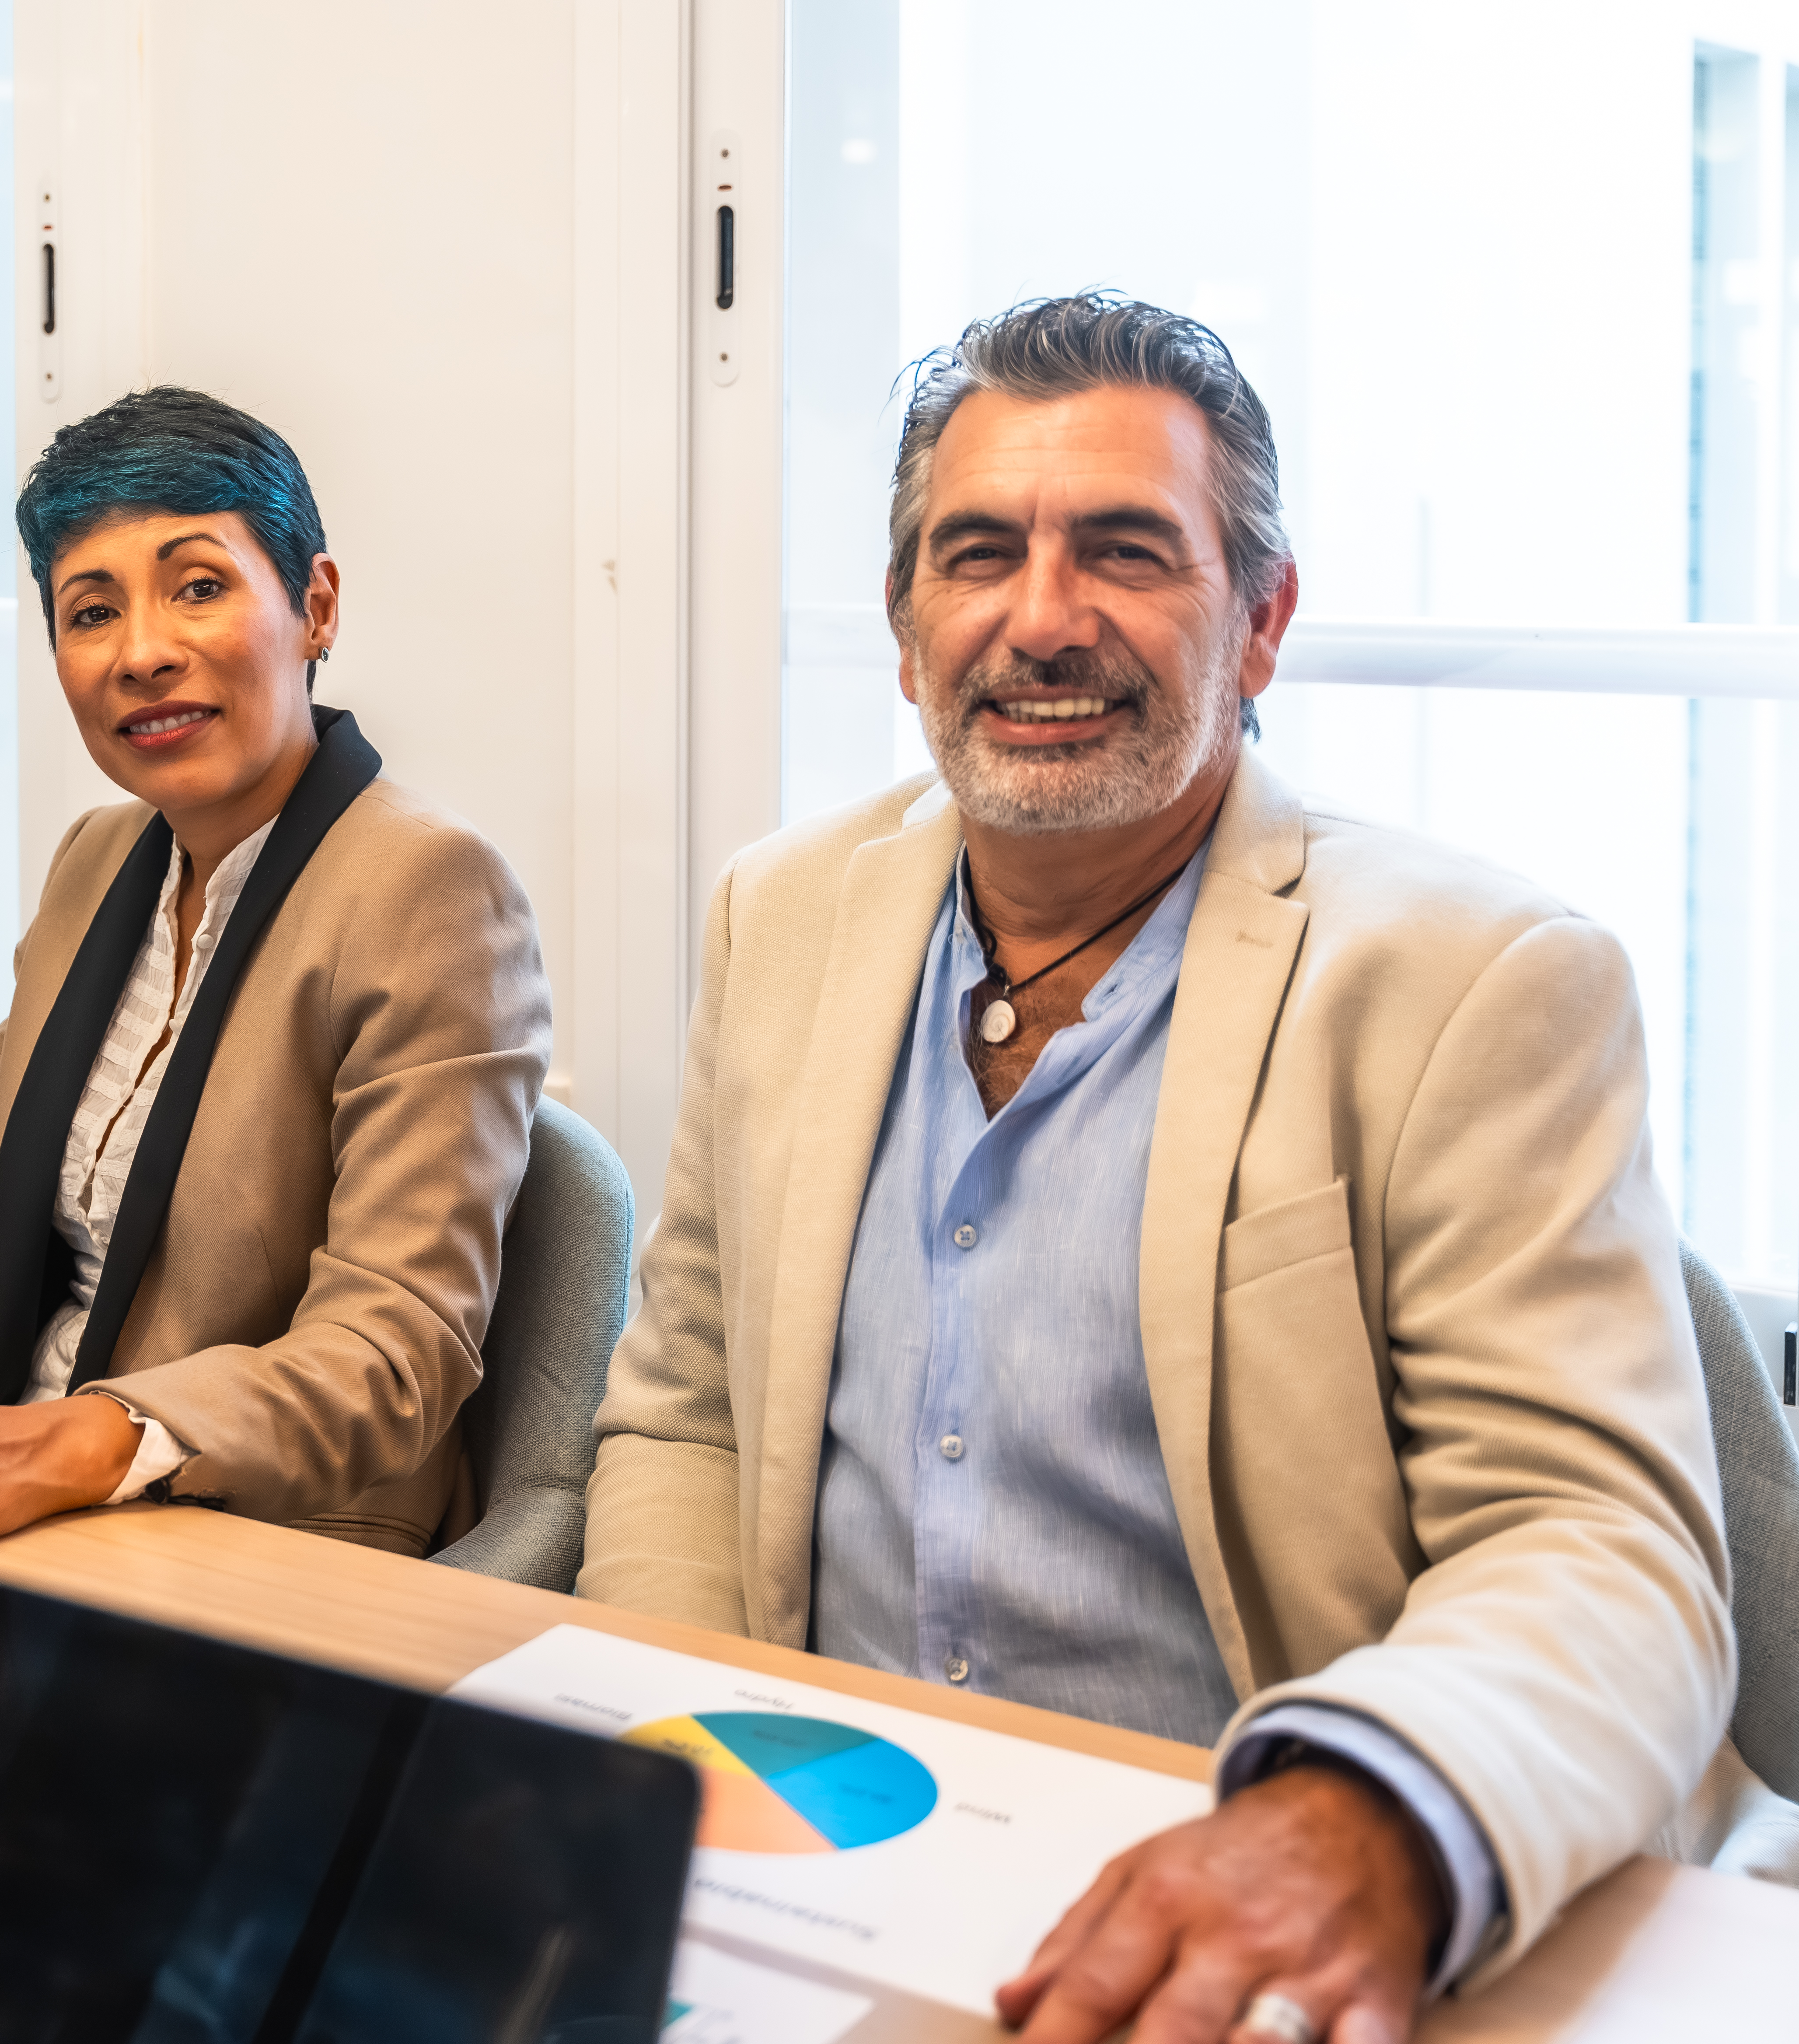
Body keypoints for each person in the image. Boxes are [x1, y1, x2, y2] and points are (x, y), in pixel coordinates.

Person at [578, 294, 1769, 2044]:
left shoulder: (1479, 980)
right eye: (977, 554)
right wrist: (685, 1786)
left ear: (1262, 617)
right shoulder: (785, 914)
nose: (1042, 621)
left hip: (1265, 1896)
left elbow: (1601, 1544)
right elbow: (684, 1410)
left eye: (1127, 552)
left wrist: (1363, 1816)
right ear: (906, 632)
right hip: (847, 1866)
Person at [0, 387, 549, 1556]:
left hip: (251, 1531)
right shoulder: (97, 860)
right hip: (18, 1489)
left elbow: (394, 1351)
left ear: (315, 606)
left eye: (200, 587)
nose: (143, 655)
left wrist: (67, 1441)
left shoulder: (430, 890)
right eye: (90, 612)